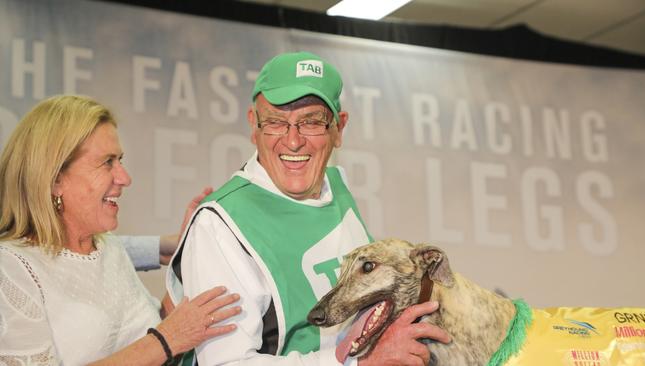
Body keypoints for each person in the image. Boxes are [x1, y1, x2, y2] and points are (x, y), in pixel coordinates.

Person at [167, 51, 450, 365]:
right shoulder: (219, 226)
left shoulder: (335, 187)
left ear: (338, 129)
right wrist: (358, 363)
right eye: (275, 122)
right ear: (253, 125)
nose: (292, 141)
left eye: (311, 123)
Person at [0, 95, 241, 365]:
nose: (125, 178)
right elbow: (161, 341)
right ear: (55, 179)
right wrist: (166, 340)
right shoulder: (11, 267)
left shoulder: (109, 248)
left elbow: (151, 337)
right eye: (107, 162)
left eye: (120, 160)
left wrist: (192, 247)